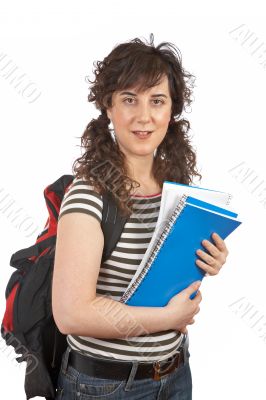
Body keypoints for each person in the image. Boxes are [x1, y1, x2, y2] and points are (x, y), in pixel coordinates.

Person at [52, 33, 229, 400]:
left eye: (157, 100)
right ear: (108, 107)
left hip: (176, 373)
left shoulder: (176, 186)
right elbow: (70, 313)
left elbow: (164, 275)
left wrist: (209, 258)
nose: (144, 116)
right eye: (129, 99)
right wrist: (167, 320)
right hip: (105, 387)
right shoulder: (89, 195)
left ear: (172, 110)